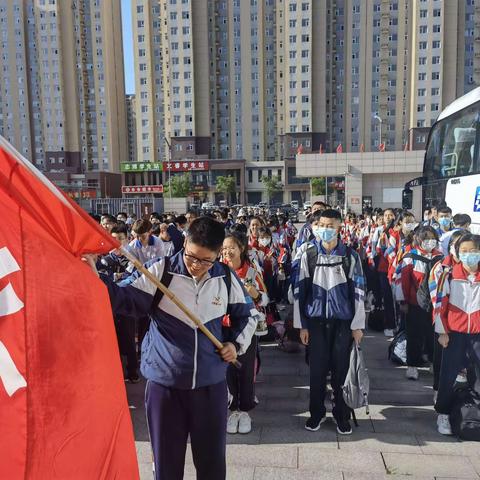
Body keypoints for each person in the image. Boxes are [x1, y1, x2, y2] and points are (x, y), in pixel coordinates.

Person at [92, 217, 258, 479]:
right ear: (185, 243)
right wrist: (92, 274)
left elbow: (249, 315)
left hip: (210, 387)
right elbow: (121, 297)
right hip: (164, 388)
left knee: (212, 465)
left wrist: (234, 344)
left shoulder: (224, 278)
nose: (195, 266)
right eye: (191, 256)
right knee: (167, 466)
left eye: (205, 261)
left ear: (218, 255)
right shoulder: (160, 271)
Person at [293, 209, 365, 435]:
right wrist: (302, 325)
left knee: (341, 372)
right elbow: (299, 291)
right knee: (316, 372)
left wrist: (357, 326)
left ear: (339, 227)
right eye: (322, 224)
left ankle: (341, 415)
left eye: (331, 225)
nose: (326, 229)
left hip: (342, 323)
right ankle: (316, 414)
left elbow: (359, 292)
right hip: (315, 322)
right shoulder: (308, 254)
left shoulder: (350, 256)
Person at [222, 232, 268, 435]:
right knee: (228, 370)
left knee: (246, 370)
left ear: (241, 248)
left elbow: (265, 299)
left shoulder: (251, 271)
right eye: (223, 249)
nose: (227, 252)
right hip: (223, 327)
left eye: (231, 247)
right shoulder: (218, 270)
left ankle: (245, 410)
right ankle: (233, 410)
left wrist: (255, 294)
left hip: (247, 329)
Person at [434, 233, 480, 435]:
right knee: (449, 374)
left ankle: (474, 413)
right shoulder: (450, 274)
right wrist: (442, 331)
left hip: (477, 334)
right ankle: (443, 413)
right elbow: (439, 306)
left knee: (477, 376)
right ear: (457, 253)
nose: (469, 255)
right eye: (465, 251)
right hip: (454, 333)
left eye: (474, 251)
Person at [396, 226, 443, 380]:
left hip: (435, 305)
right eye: (426, 238)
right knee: (414, 335)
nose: (430, 242)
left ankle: (432, 362)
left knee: (433, 336)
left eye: (433, 238)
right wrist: (403, 301)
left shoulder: (440, 257)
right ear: (419, 239)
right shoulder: (410, 256)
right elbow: (403, 281)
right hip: (414, 304)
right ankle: (412, 365)